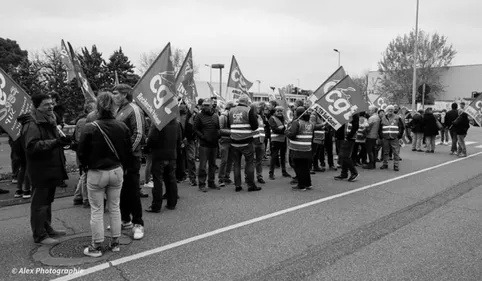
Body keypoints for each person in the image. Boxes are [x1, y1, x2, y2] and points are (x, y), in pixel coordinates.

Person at [78, 92, 132, 257]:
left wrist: (86, 167)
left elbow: (81, 153)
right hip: (116, 170)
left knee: (97, 210)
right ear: (114, 107)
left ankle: (97, 245)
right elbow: (127, 151)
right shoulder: (122, 126)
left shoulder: (90, 127)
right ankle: (115, 242)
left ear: (98, 107)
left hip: (96, 172)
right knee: (115, 207)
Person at [23, 93, 70, 245]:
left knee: (47, 201)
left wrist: (61, 142)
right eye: (46, 104)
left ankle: (47, 227)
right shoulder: (33, 123)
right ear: (37, 106)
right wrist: (55, 142)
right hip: (40, 169)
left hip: (50, 168)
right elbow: (32, 147)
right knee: (39, 203)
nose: (50, 106)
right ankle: (40, 235)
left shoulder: (50, 119)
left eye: (51, 103)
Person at [112, 84, 145, 240]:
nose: (113, 96)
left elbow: (138, 134)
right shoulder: (119, 110)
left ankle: (138, 223)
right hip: (120, 158)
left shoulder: (134, 109)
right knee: (121, 190)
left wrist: (127, 154)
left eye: (116, 93)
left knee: (132, 191)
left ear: (125, 94)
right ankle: (125, 220)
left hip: (131, 158)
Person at [145, 117, 181, 212]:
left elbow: (151, 139)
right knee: (171, 179)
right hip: (172, 155)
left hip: (159, 155)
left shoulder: (158, 122)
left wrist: (147, 145)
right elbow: (179, 139)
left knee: (158, 180)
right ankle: (172, 203)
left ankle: (156, 206)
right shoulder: (176, 123)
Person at [227, 94, 261, 192]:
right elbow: (255, 126)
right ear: (246, 101)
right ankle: (251, 185)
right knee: (249, 164)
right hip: (246, 142)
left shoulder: (231, 110)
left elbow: (229, 125)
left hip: (234, 142)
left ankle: (238, 185)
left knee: (236, 164)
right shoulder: (248, 110)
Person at [73, 102, 96, 207]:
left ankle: (78, 196)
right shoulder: (84, 121)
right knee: (86, 175)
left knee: (84, 175)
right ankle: (86, 200)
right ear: (90, 109)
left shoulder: (81, 120)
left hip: (83, 151)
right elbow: (80, 138)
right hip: (85, 152)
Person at [194, 99, 220, 192]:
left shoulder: (215, 116)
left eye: (207, 105)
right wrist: (202, 136)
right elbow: (195, 128)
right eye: (204, 105)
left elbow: (218, 128)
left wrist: (218, 135)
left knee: (213, 164)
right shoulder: (199, 116)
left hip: (214, 144)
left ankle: (211, 182)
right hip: (204, 144)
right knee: (203, 165)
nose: (205, 107)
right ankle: (201, 184)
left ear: (211, 106)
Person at [287, 107, 314, 191]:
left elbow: (292, 134)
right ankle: (308, 184)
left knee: (298, 167)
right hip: (307, 148)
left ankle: (301, 185)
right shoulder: (310, 123)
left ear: (297, 113)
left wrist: (286, 131)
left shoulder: (297, 122)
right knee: (305, 167)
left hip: (297, 148)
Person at [334, 113, 359, 182]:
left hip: (349, 138)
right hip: (344, 137)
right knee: (343, 156)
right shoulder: (346, 112)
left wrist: (349, 136)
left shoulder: (354, 113)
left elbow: (355, 126)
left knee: (345, 156)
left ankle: (354, 172)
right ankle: (344, 173)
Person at [268, 106, 291, 180]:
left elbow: (285, 128)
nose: (280, 112)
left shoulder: (284, 119)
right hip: (275, 140)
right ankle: (271, 173)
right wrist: (284, 129)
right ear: (275, 112)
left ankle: (284, 171)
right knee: (274, 157)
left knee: (283, 156)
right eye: (278, 111)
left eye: (281, 111)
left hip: (283, 139)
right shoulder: (272, 118)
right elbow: (275, 129)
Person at [380, 105, 404, 171]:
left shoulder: (397, 117)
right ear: (387, 110)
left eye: (391, 109)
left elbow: (401, 127)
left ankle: (396, 165)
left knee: (396, 152)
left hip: (394, 137)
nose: (390, 110)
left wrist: (399, 135)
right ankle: (385, 164)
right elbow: (380, 128)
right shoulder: (383, 118)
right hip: (385, 137)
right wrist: (381, 136)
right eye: (389, 109)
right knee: (385, 152)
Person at [218, 102, 234, 186]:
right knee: (224, 160)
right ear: (229, 108)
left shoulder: (233, 116)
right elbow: (220, 130)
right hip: (224, 141)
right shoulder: (222, 117)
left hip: (232, 141)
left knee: (230, 160)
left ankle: (227, 177)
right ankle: (221, 178)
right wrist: (231, 132)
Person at [252, 102, 266, 184]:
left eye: (259, 108)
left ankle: (259, 176)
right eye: (257, 107)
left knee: (259, 161)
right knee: (250, 161)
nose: (259, 109)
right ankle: (248, 177)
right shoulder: (250, 117)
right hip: (253, 141)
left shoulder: (260, 116)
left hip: (261, 141)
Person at [363, 106, 380, 170]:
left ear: (373, 111)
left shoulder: (372, 118)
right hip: (374, 135)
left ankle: (371, 164)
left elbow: (367, 127)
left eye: (370, 110)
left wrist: (364, 131)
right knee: (373, 150)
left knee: (370, 151)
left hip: (370, 136)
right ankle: (373, 164)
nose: (368, 112)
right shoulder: (377, 117)